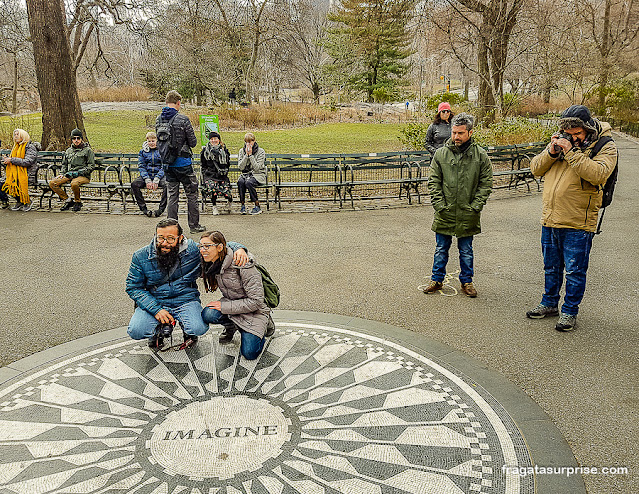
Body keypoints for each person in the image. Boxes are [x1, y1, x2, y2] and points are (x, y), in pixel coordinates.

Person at [527, 105, 617, 331]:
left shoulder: (605, 146)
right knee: (551, 267)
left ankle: (569, 312)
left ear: (588, 129)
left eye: (579, 134)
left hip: (579, 221)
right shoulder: (561, 144)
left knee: (575, 271)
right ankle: (549, 303)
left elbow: (597, 174)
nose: (575, 138)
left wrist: (570, 151)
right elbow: (535, 169)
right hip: (550, 217)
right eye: (571, 134)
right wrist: (551, 152)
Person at [126, 219, 248, 350]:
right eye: (160, 238)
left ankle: (188, 331)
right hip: (156, 300)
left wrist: (239, 249)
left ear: (180, 238)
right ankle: (156, 331)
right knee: (136, 330)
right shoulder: (140, 256)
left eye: (170, 238)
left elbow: (218, 245)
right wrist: (156, 310)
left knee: (198, 328)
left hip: (185, 299)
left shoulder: (192, 250)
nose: (164, 243)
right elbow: (133, 287)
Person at [423, 113, 493, 297]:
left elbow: (486, 184)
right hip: (445, 211)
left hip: (467, 212)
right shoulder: (441, 154)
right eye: (454, 132)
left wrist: (475, 206)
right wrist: (440, 205)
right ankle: (436, 279)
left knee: (466, 251)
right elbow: (434, 182)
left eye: (460, 133)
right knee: (440, 249)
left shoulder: (480, 155)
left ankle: (467, 282)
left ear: (470, 132)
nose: (456, 137)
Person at [200, 231, 271, 360]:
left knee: (249, 353)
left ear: (220, 247)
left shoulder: (242, 264)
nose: (202, 250)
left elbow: (256, 302)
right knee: (208, 314)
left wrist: (224, 307)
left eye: (207, 246)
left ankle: (265, 325)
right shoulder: (212, 262)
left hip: (255, 310)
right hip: (233, 305)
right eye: (201, 246)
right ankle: (232, 326)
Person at [156, 90, 205, 234]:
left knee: (172, 195)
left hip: (167, 164)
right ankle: (194, 225)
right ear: (178, 103)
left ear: (166, 102)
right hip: (183, 164)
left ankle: (171, 227)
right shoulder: (183, 119)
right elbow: (193, 142)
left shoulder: (159, 119)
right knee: (192, 194)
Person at [49, 128, 95, 212]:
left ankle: (78, 201)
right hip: (69, 174)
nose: (76, 140)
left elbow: (91, 166)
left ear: (81, 139)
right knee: (53, 183)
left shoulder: (88, 151)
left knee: (74, 183)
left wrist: (79, 172)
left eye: (78, 138)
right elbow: (64, 164)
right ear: (71, 140)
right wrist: (62, 173)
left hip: (83, 175)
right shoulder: (68, 151)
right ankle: (68, 200)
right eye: (74, 138)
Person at [1, 128, 39, 211]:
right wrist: (7, 161)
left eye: (17, 134)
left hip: (28, 174)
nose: (16, 136)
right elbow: (13, 160)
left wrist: (12, 160)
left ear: (23, 136)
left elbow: (27, 162)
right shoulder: (16, 147)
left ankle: (26, 201)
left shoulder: (30, 147)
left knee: (13, 183)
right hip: (16, 174)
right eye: (15, 135)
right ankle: (19, 200)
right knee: (4, 184)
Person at [132, 132, 167, 217]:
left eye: (153, 141)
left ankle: (161, 209)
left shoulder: (162, 151)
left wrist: (157, 179)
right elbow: (142, 166)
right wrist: (147, 179)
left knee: (168, 185)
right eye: (149, 141)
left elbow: (164, 165)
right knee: (134, 184)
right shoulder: (142, 152)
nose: (151, 143)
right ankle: (144, 208)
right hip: (147, 175)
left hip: (159, 176)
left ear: (157, 141)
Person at [200, 131, 232, 215]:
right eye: (211, 139)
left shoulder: (224, 150)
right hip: (210, 175)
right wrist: (206, 173)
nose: (213, 140)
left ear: (219, 140)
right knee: (212, 187)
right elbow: (203, 165)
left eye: (215, 139)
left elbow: (227, 164)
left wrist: (223, 171)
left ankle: (229, 200)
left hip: (221, 176)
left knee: (226, 190)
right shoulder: (205, 151)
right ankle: (214, 206)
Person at [237, 132, 267, 215]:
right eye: (247, 142)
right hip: (245, 174)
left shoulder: (260, 151)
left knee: (249, 182)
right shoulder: (241, 151)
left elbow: (257, 168)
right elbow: (241, 167)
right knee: (241, 182)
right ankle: (242, 204)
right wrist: (246, 155)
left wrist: (251, 156)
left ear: (254, 141)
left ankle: (257, 205)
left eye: (250, 142)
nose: (248, 144)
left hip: (258, 174)